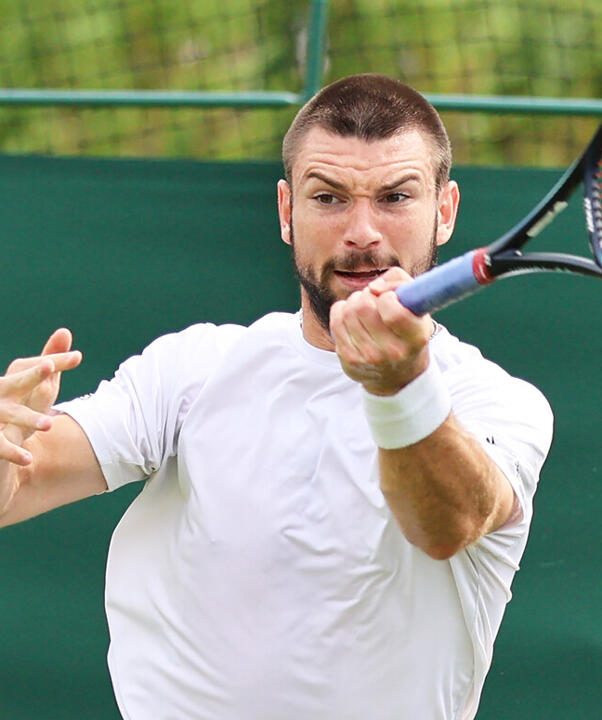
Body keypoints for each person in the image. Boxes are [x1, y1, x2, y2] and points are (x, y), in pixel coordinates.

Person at [0, 74, 553, 720]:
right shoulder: (193, 368)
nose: (362, 232)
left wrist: (399, 384)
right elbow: (19, 488)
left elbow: (447, 525)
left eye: (396, 196)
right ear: (288, 212)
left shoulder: (500, 404)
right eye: (330, 198)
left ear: (446, 210)